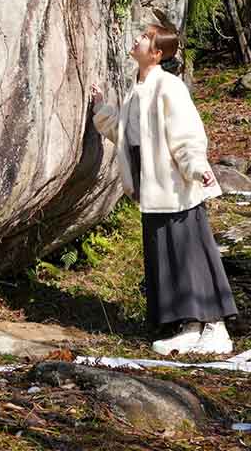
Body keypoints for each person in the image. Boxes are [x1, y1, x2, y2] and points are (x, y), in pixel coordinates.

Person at [90, 21, 237, 357]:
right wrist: (101, 109)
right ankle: (187, 326)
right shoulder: (136, 89)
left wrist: (197, 167)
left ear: (156, 53)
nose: (137, 39)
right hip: (151, 187)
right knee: (165, 255)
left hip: (175, 184)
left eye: (144, 37)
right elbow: (126, 134)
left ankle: (216, 327)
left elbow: (186, 133)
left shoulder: (169, 86)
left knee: (191, 253)